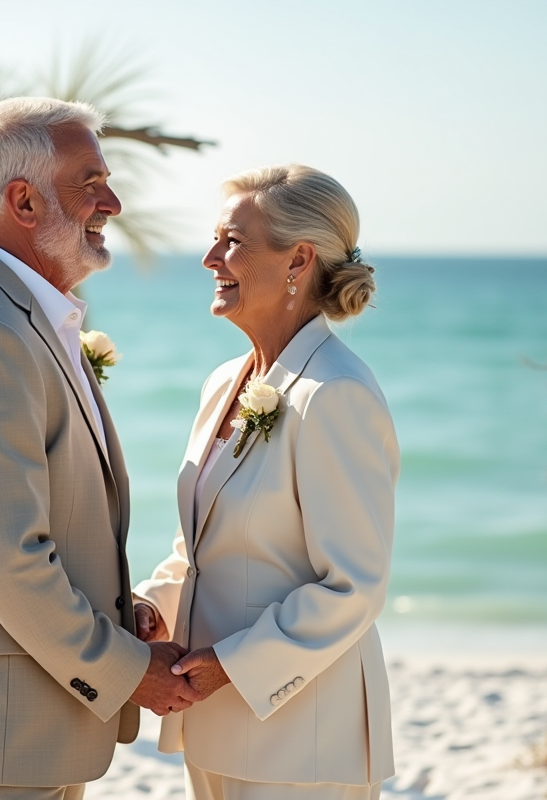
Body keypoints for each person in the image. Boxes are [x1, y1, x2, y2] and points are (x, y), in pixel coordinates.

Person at [0, 96, 198, 800]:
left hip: (24, 722)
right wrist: (126, 672)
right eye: (90, 183)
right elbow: (6, 560)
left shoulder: (24, 321)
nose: (112, 203)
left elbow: (40, 518)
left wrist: (119, 606)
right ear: (22, 201)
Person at [133, 165, 400, 800]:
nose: (210, 259)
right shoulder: (223, 382)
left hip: (301, 744)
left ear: (298, 260)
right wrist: (151, 607)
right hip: (213, 726)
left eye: (232, 242)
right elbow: (201, 547)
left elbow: (353, 587)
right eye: (214, 240)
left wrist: (231, 666)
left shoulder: (335, 393)